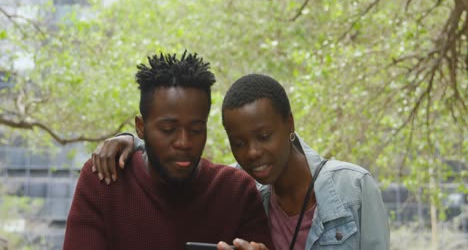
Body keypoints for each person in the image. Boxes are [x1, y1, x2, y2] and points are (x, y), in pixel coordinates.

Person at [93, 74, 390, 250]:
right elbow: (183, 160)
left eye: (263, 136)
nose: (252, 152)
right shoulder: (243, 192)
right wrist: (132, 140)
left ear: (289, 123)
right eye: (239, 143)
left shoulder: (353, 188)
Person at [63, 52, 273, 250]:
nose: (184, 142)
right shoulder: (105, 180)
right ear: (141, 127)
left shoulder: (236, 191)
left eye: (196, 130)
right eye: (168, 130)